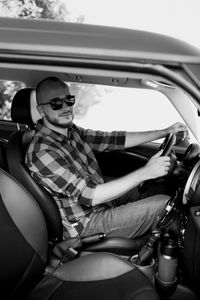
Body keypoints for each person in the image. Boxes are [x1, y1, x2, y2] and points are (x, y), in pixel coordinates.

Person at [25, 76, 187, 240]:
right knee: (165, 205)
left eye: (69, 100)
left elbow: (112, 140)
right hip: (85, 223)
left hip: (99, 204)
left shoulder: (71, 132)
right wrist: (146, 172)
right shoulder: (42, 152)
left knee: (160, 187)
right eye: (56, 104)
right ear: (41, 110)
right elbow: (90, 195)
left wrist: (164, 132)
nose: (66, 107)